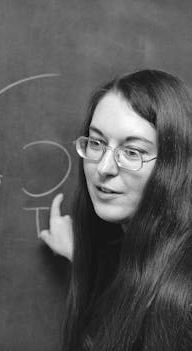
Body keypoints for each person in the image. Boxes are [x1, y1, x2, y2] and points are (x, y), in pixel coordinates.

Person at [39, 69, 192, 351]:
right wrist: (82, 254)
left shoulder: (183, 303)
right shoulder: (125, 251)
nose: (104, 168)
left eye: (133, 152)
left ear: (175, 165)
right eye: (96, 143)